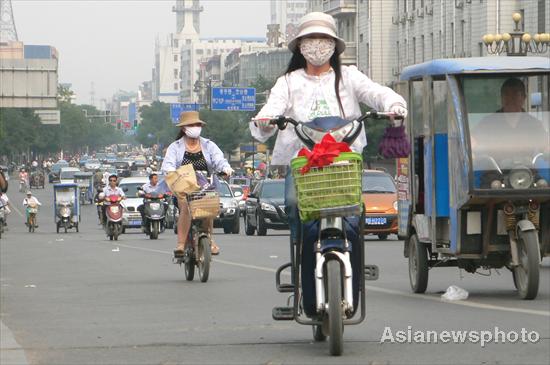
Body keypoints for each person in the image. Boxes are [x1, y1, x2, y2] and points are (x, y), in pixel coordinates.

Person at [250, 12, 407, 316]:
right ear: (300, 47)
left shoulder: (349, 76)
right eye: (311, 40)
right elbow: (272, 108)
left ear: (334, 45)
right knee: (299, 216)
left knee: (353, 220)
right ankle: (301, 273)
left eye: (323, 40)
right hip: (304, 165)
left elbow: (375, 93)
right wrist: (266, 121)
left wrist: (393, 104)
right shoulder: (288, 81)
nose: (317, 46)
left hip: (343, 161)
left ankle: (354, 278)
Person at [161, 111, 234, 257]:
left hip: (206, 186)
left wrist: (225, 169)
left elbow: (219, 160)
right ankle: (181, 244)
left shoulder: (209, 145)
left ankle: (209, 239)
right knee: (186, 208)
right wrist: (171, 173)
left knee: (208, 209)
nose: (195, 127)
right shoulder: (175, 147)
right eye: (191, 125)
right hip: (184, 188)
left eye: (197, 124)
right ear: (183, 128)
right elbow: (167, 165)